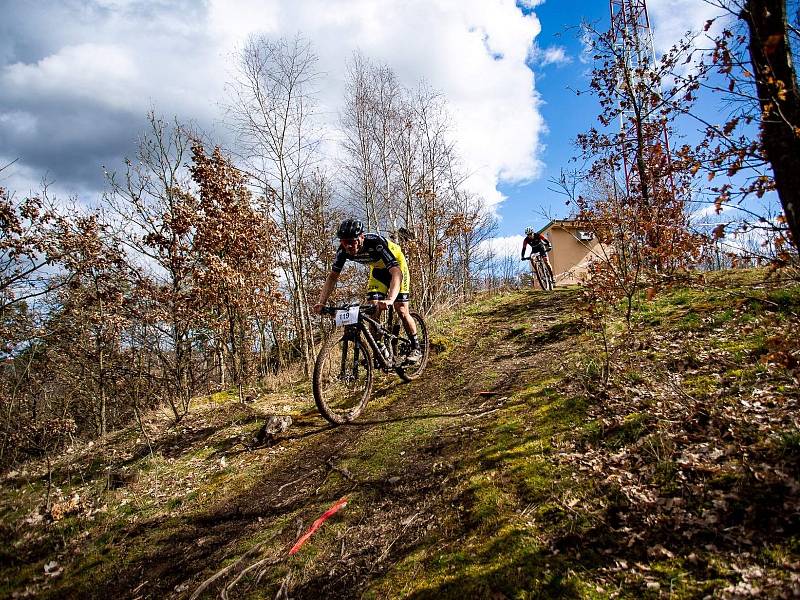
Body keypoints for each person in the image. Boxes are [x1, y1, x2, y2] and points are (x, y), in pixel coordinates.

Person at [312, 218, 422, 363]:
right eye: (345, 242)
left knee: (401, 309)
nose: (349, 246)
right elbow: (332, 277)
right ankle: (380, 347)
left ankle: (416, 347)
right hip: (377, 271)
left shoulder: (376, 243)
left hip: (397, 267)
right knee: (372, 308)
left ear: (361, 237)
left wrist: (390, 299)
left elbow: (396, 273)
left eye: (352, 241)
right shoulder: (343, 251)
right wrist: (321, 302)